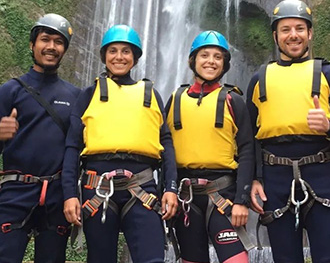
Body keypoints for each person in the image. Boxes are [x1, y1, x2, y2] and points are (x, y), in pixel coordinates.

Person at [62, 24, 178, 263]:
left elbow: (166, 143)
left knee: (152, 259)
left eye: (126, 51)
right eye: (113, 50)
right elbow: (72, 147)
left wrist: (170, 188)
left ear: (134, 58)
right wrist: (69, 194)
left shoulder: (151, 94)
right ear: (104, 56)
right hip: (98, 187)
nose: (119, 57)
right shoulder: (89, 94)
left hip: (142, 187)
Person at [247, 0, 330, 263]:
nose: (293, 35)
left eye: (299, 28)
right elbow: (249, 139)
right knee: (285, 258)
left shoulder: (327, 73)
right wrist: (255, 180)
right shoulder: (258, 78)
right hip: (274, 179)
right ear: (275, 36)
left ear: (310, 33)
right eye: (285, 29)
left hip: (322, 174)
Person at [166, 30, 254, 263]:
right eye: (204, 55)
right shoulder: (175, 98)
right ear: (192, 60)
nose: (211, 61)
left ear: (225, 64)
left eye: (218, 57)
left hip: (223, 195)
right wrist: (167, 191)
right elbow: (164, 150)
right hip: (186, 198)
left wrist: (241, 201)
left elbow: (247, 151)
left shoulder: (233, 100)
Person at [0, 13, 80, 263]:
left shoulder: (75, 95)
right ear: (32, 44)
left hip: (57, 195)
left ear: (64, 50)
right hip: (15, 192)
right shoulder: (10, 90)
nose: (51, 47)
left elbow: (77, 148)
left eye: (59, 42)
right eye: (45, 39)